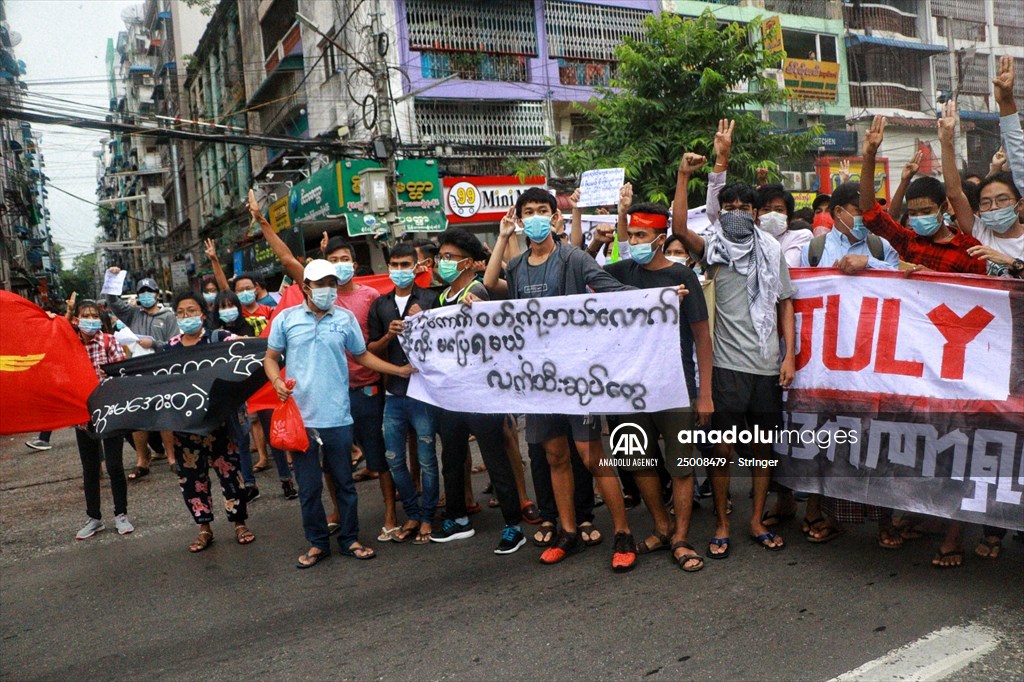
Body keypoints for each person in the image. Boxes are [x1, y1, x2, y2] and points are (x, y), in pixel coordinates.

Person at [484, 189, 641, 571]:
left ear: (556, 218)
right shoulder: (518, 265)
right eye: (528, 212)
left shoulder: (573, 259)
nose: (536, 218)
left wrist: (660, 297)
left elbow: (612, 291)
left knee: (591, 455)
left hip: (578, 377)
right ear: (519, 220)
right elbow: (489, 287)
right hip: (539, 380)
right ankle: (568, 531)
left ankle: (623, 532)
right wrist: (503, 237)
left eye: (543, 211)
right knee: (555, 456)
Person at [673, 119, 796, 558]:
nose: (739, 211)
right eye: (731, 206)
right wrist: (686, 176)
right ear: (721, 211)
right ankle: (723, 521)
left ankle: (756, 518)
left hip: (766, 367)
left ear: (757, 213)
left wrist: (789, 357)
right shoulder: (714, 246)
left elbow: (785, 302)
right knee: (722, 450)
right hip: (726, 368)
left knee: (762, 451)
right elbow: (679, 227)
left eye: (746, 206)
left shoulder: (773, 250)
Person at [265, 259, 415, 569]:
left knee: (345, 484)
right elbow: (270, 357)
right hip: (301, 420)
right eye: (321, 284)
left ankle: (350, 539)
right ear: (306, 287)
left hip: (337, 416)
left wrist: (398, 370)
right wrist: (277, 381)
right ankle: (317, 543)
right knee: (309, 488)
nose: (328, 290)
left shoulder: (345, 319)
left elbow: (362, 357)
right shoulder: (286, 319)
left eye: (331, 283)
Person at [604, 203, 713, 572]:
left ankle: (681, 537)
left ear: (660, 239)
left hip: (674, 386)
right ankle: (661, 526)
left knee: (681, 464)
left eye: (640, 236)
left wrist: (706, 394)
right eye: (630, 234)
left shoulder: (683, 277)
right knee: (638, 460)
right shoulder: (617, 274)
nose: (633, 241)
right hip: (630, 389)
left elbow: (702, 338)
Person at [428, 228, 527, 554]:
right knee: (452, 458)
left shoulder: (478, 292)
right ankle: (457, 518)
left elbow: (494, 335)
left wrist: (480, 315)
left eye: (449, 258)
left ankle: (514, 525)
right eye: (440, 257)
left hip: (481, 394)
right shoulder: (443, 299)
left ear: (469, 263)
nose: (442, 262)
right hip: (452, 394)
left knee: (494, 457)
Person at [319, 234, 403, 543]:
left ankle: (391, 515)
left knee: (379, 457)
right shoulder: (318, 299)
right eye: (332, 261)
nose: (339, 266)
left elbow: (377, 344)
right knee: (330, 460)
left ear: (355, 265)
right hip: (331, 394)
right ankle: (339, 513)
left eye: (344, 260)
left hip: (367, 388)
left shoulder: (371, 297)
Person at [166, 291, 255, 553]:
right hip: (186, 426)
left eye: (191, 311)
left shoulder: (219, 339)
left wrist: (249, 343)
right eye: (181, 312)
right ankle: (204, 529)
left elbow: (245, 349)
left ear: (203, 313)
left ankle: (239, 523)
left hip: (220, 424)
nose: (186, 316)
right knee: (192, 479)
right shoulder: (169, 349)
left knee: (230, 474)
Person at [367, 242, 440, 544]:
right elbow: (370, 349)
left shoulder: (431, 298)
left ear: (417, 266)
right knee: (394, 458)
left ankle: (426, 518)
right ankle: (411, 512)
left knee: (426, 460)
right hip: (394, 393)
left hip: (424, 394)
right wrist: (389, 334)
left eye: (405, 264)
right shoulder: (380, 305)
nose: (400, 270)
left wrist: (424, 320)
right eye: (395, 265)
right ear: (388, 268)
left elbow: (446, 343)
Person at [859, 115, 985, 274]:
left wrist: (935, 278)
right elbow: (871, 213)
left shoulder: (969, 250)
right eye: (913, 213)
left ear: (943, 207)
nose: (919, 218)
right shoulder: (908, 241)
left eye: (926, 212)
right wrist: (869, 156)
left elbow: (978, 292)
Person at [103, 268, 178, 479]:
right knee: (137, 416)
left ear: (156, 294)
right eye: (142, 292)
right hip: (136, 371)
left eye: (149, 291)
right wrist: (112, 277)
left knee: (164, 414)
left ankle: (172, 457)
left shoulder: (168, 316)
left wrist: (154, 343)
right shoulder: (133, 314)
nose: (146, 295)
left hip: (161, 370)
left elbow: (174, 344)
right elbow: (113, 301)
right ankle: (141, 460)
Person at [69, 298, 134, 540]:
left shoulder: (109, 341)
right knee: (90, 468)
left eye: (95, 315)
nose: (91, 320)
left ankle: (121, 514)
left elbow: (120, 375)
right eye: (85, 315)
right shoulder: (70, 344)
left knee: (115, 465)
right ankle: (94, 518)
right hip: (82, 414)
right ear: (76, 320)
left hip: (109, 412)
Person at [756, 183, 811, 268]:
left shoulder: (800, 237)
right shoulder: (749, 240)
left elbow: (786, 268)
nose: (772, 215)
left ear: (788, 216)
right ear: (755, 214)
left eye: (779, 210)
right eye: (766, 209)